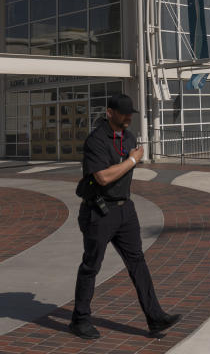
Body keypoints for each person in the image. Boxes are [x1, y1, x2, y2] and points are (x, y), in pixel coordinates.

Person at [70, 93, 181, 340]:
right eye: (123, 112)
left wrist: (130, 159)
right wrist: (132, 160)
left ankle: (155, 318)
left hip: (125, 210)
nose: (128, 116)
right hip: (99, 211)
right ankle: (80, 319)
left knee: (137, 262)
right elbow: (102, 177)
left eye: (130, 112)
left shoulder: (128, 136)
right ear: (109, 113)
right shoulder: (96, 140)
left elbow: (121, 171)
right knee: (91, 266)